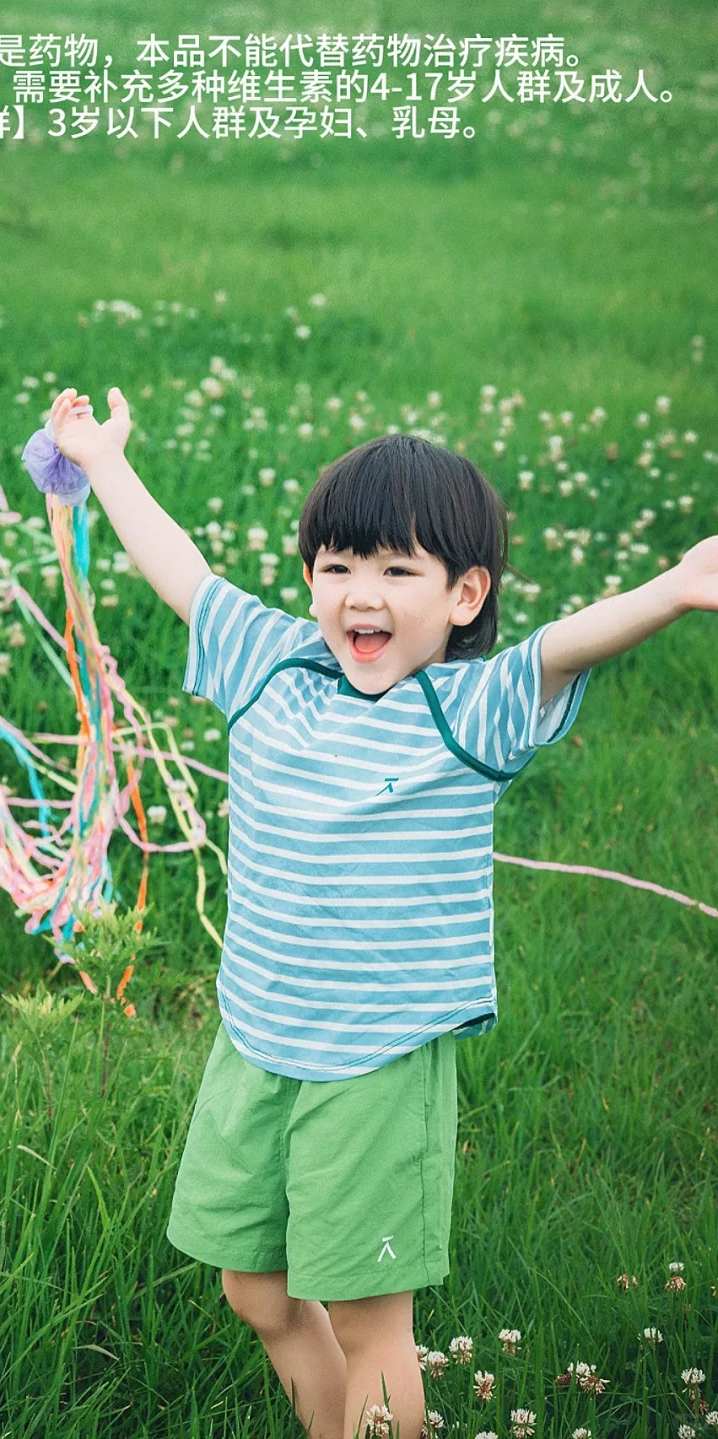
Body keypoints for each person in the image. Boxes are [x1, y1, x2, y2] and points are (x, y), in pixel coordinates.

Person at [45, 384, 716, 1439]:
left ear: (462, 595)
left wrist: (676, 589)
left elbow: (561, 645)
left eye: (398, 569)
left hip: (377, 1054)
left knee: (369, 1318)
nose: (362, 591)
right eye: (339, 565)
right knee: (255, 1289)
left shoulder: (466, 711)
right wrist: (104, 459)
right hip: (258, 1036)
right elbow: (182, 569)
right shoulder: (270, 666)